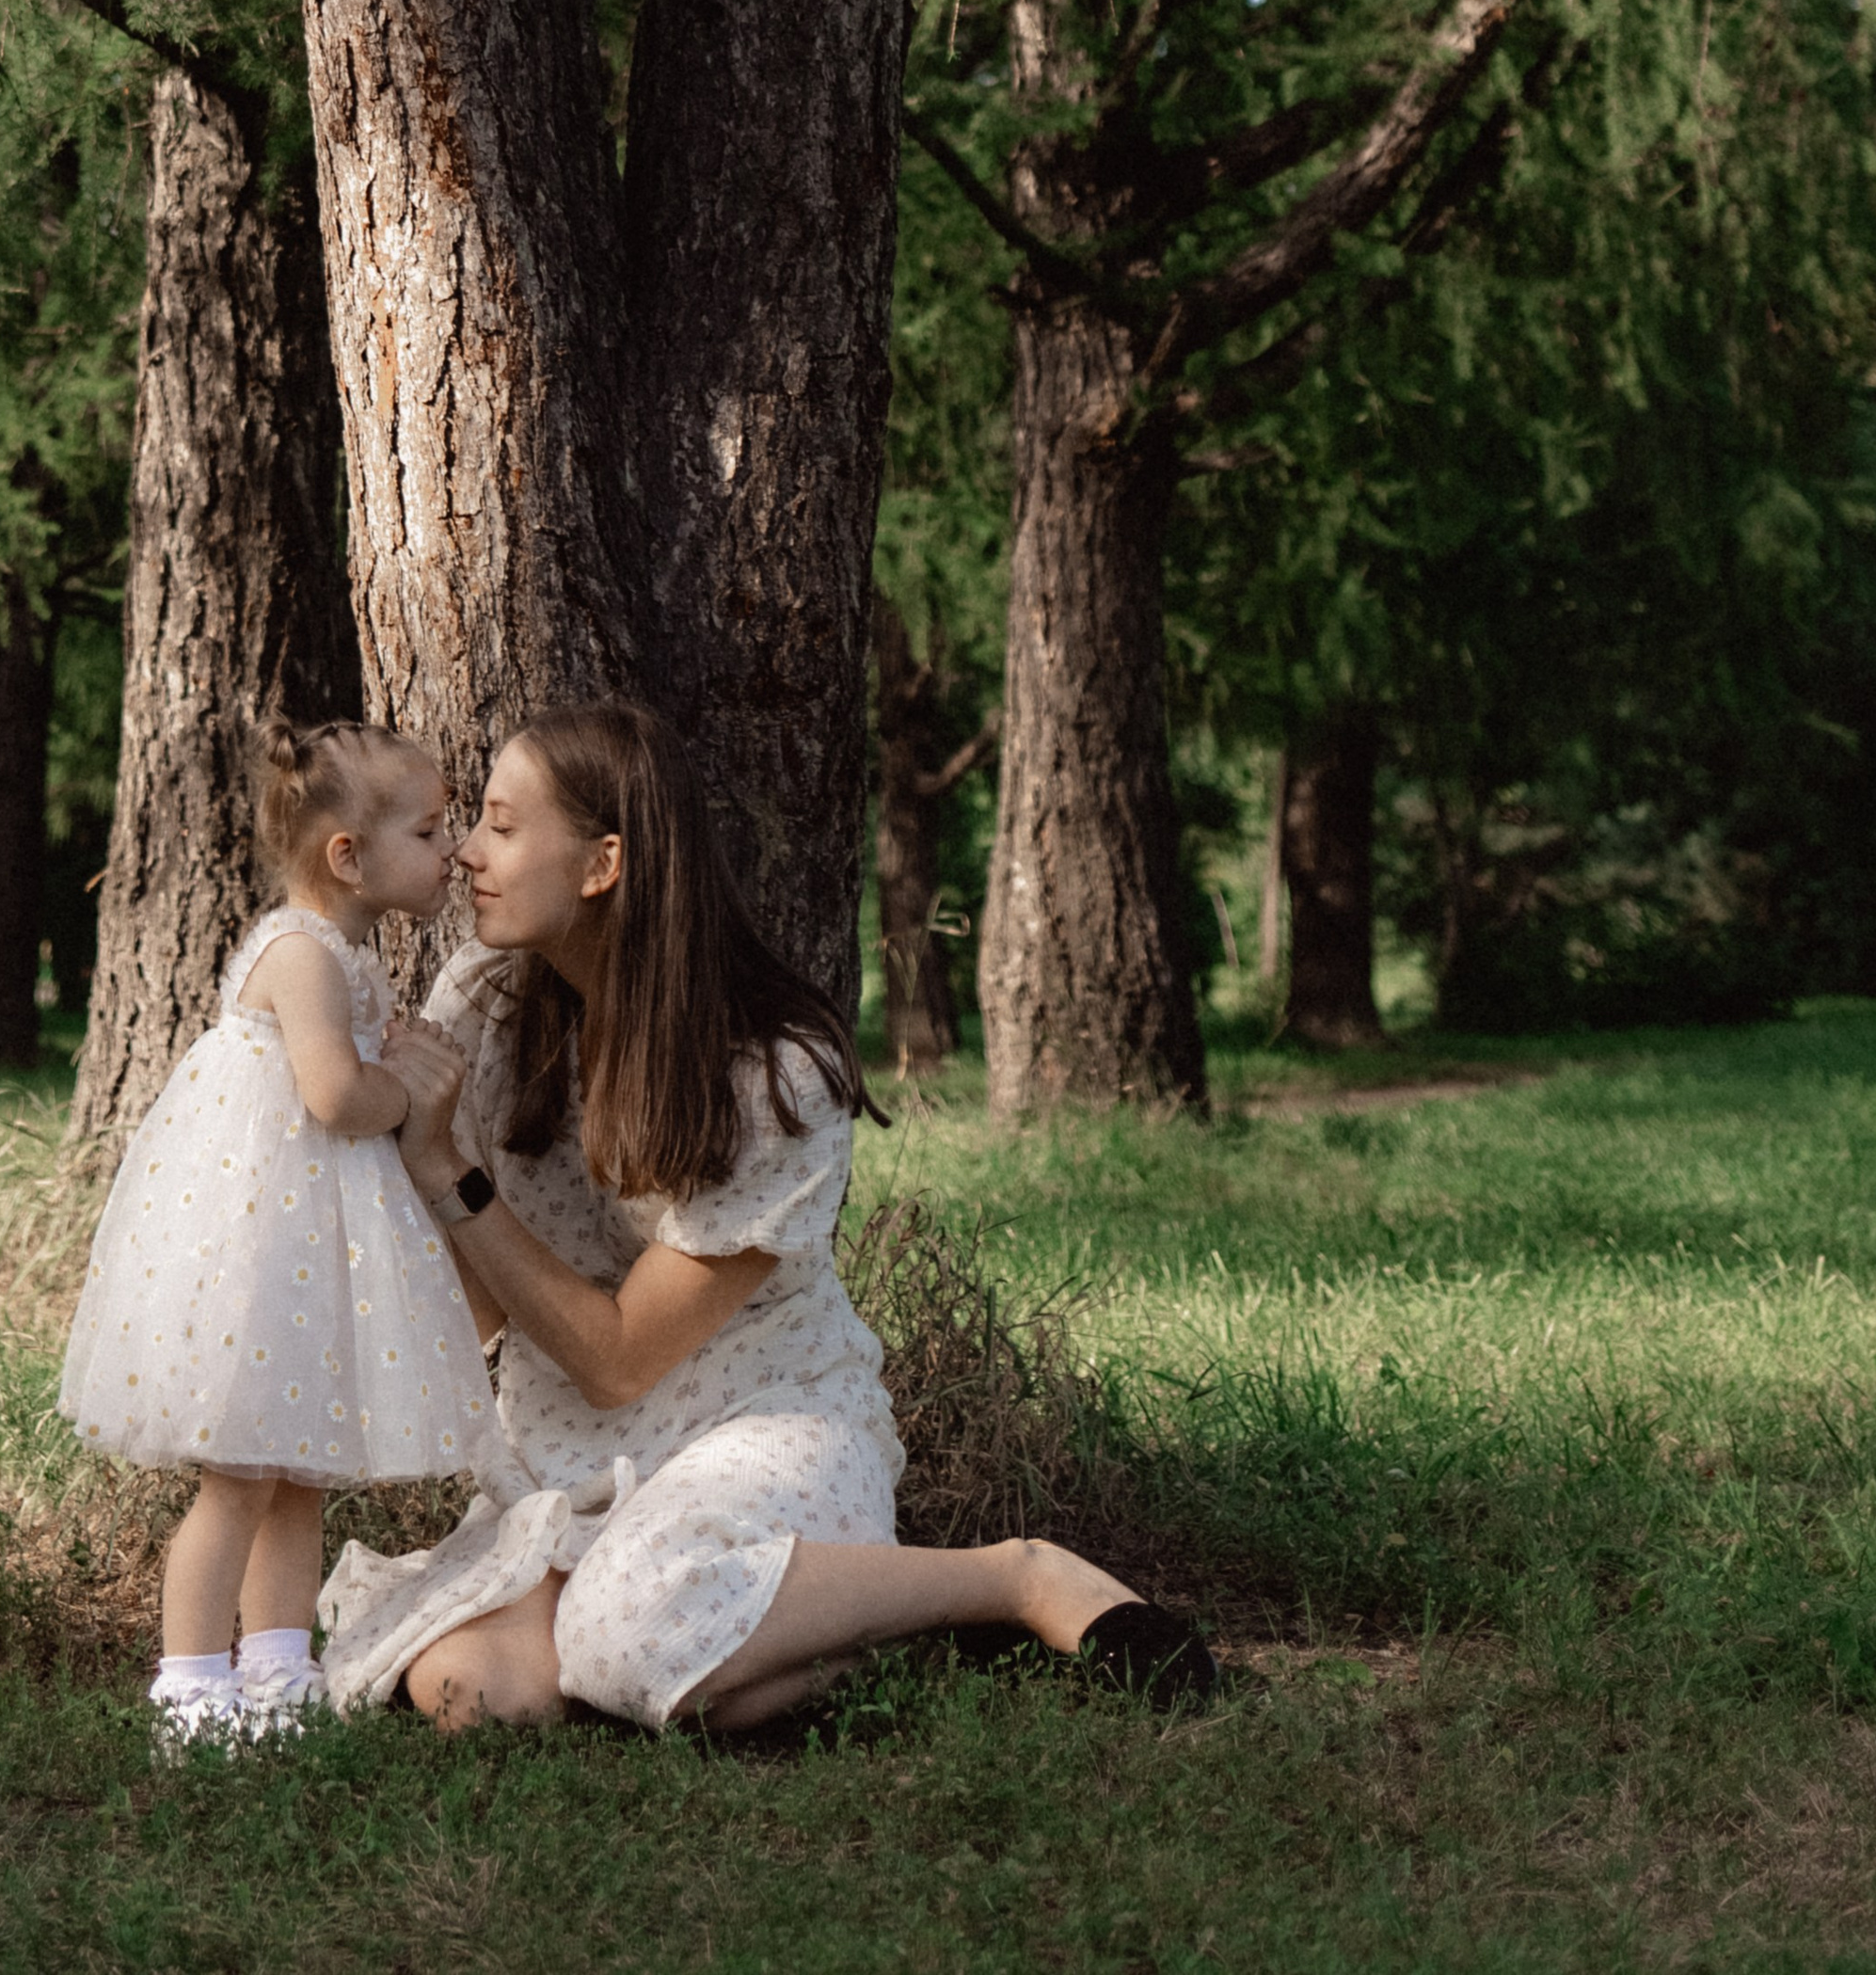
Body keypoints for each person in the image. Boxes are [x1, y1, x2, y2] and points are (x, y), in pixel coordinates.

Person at [318, 697, 1213, 1731]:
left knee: (630, 1643)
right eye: (472, 822)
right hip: (564, 1452)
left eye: (504, 827)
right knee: (478, 1699)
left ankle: (1009, 1582)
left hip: (755, 1423)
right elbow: (485, 1316)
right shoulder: (485, 1006)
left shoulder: (777, 1075)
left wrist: (447, 1173)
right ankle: (789, 1628)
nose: (467, 850)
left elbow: (618, 1360)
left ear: (604, 864)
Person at [59, 721, 497, 1749]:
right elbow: (335, 1097)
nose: (453, 852)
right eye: (432, 832)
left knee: (299, 1472)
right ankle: (192, 1685)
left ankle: (278, 1671)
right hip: (263, 1255)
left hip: (312, 1247)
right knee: (239, 1481)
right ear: (348, 855)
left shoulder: (343, 949)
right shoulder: (302, 951)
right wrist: (412, 1090)